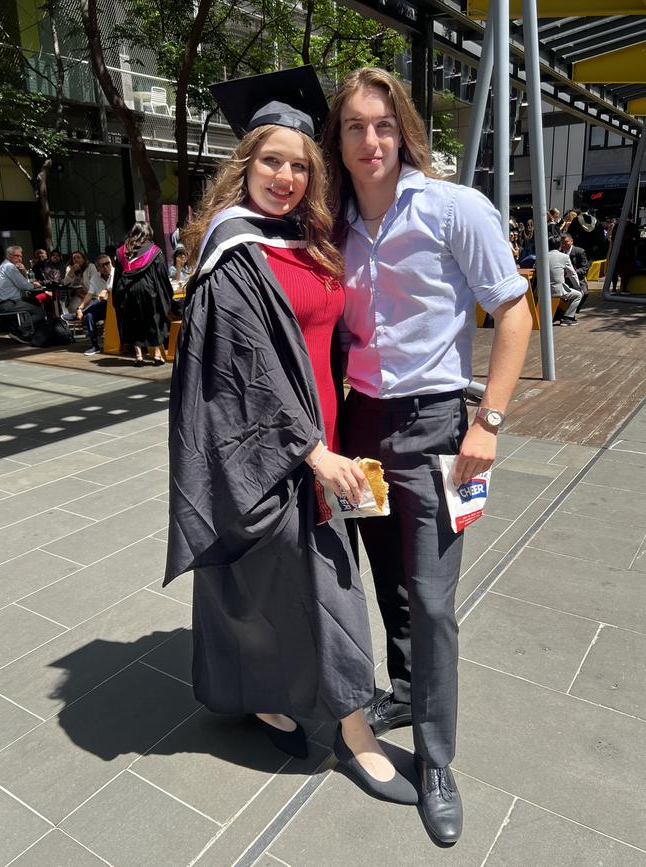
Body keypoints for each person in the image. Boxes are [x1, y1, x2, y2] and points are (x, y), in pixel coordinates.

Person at [164, 66, 417, 806]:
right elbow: (243, 371)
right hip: (273, 451)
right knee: (315, 586)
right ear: (246, 163)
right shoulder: (235, 250)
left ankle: (267, 695)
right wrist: (311, 450)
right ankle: (354, 730)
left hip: (326, 439)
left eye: (302, 165)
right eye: (272, 160)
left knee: (265, 586)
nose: (286, 176)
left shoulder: (309, 237)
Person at [322, 67, 533, 843]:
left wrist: (491, 420)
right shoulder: (334, 221)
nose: (370, 140)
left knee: (435, 600)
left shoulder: (452, 207)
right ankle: (407, 688)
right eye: (354, 127)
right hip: (361, 427)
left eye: (382, 124)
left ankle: (437, 757)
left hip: (440, 425)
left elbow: (515, 310)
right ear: (338, 142)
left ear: (402, 128)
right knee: (389, 581)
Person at [112, 223, 173, 367]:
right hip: (147, 290)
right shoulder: (154, 251)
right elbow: (162, 276)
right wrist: (167, 294)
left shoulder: (121, 251)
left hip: (127, 290)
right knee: (153, 320)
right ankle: (157, 355)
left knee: (133, 321)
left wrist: (116, 295)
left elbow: (117, 277)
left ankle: (138, 357)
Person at [0, 245, 46, 342]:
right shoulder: (9, 267)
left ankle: (28, 331)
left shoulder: (4, 266)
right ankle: (20, 332)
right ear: (9, 256)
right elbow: (24, 285)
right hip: (7, 303)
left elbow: (22, 282)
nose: (20, 258)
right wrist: (35, 285)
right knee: (40, 312)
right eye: (16, 256)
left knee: (34, 301)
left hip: (4, 303)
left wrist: (23, 271)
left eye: (21, 256)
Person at [77, 254, 113, 355]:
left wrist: (105, 291)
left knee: (99, 302)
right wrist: (80, 307)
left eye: (108, 264)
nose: (106, 267)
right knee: (89, 316)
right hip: (102, 306)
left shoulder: (116, 272)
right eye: (103, 265)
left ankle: (79, 313)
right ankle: (94, 346)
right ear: (98, 268)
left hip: (116, 307)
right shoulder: (95, 277)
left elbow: (110, 288)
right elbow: (89, 294)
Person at [548, 235, 582, 324]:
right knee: (578, 295)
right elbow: (572, 274)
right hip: (556, 290)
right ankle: (568, 318)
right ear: (560, 245)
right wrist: (578, 287)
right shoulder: (564, 257)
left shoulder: (540, 256)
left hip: (541, 291)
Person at [62, 251, 97, 317]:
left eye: (78, 257)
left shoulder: (90, 267)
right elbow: (65, 283)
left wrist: (83, 285)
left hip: (90, 295)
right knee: (72, 308)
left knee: (90, 309)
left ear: (83, 259)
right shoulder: (70, 268)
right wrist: (72, 271)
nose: (76, 260)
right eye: (74, 258)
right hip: (77, 296)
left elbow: (94, 284)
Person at [560, 232, 589, 312]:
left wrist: (571, 273)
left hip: (577, 279)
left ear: (571, 241)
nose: (563, 245)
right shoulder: (559, 253)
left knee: (585, 293)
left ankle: (575, 309)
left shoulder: (580, 251)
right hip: (562, 280)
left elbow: (585, 268)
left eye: (566, 242)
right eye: (562, 243)